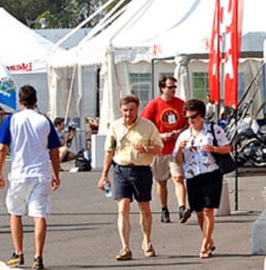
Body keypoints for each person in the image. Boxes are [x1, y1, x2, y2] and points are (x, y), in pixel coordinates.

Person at [0, 84, 63, 270]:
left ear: (20, 101)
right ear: (36, 101)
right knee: (39, 215)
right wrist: (56, 173)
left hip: (20, 173)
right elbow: (54, 151)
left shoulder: (12, 120)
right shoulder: (44, 120)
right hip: (41, 173)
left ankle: (19, 252)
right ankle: (38, 256)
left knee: (15, 213)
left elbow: (2, 148)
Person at [97, 94, 162, 260]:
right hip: (121, 169)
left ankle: (147, 241)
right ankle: (125, 247)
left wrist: (146, 149)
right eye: (125, 110)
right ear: (121, 109)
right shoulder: (115, 126)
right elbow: (109, 151)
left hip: (141, 170)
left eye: (132, 110)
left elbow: (159, 147)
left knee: (144, 208)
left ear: (137, 109)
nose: (128, 114)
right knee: (123, 207)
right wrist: (104, 175)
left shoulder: (148, 126)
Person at [174, 98, 233, 258]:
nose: (190, 120)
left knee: (208, 210)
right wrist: (179, 150)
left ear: (201, 115)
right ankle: (209, 240)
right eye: (187, 117)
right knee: (199, 211)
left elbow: (227, 148)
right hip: (192, 175)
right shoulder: (183, 135)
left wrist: (214, 149)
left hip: (211, 173)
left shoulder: (213, 130)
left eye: (193, 116)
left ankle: (204, 244)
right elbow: (178, 161)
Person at [141, 78, 188, 223]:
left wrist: (179, 132)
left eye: (174, 87)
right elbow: (145, 125)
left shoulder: (181, 104)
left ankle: (182, 208)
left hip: (175, 149)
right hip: (160, 150)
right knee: (161, 182)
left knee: (178, 178)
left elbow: (188, 124)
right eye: (170, 87)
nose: (173, 89)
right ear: (162, 88)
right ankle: (164, 209)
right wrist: (160, 136)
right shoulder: (154, 104)